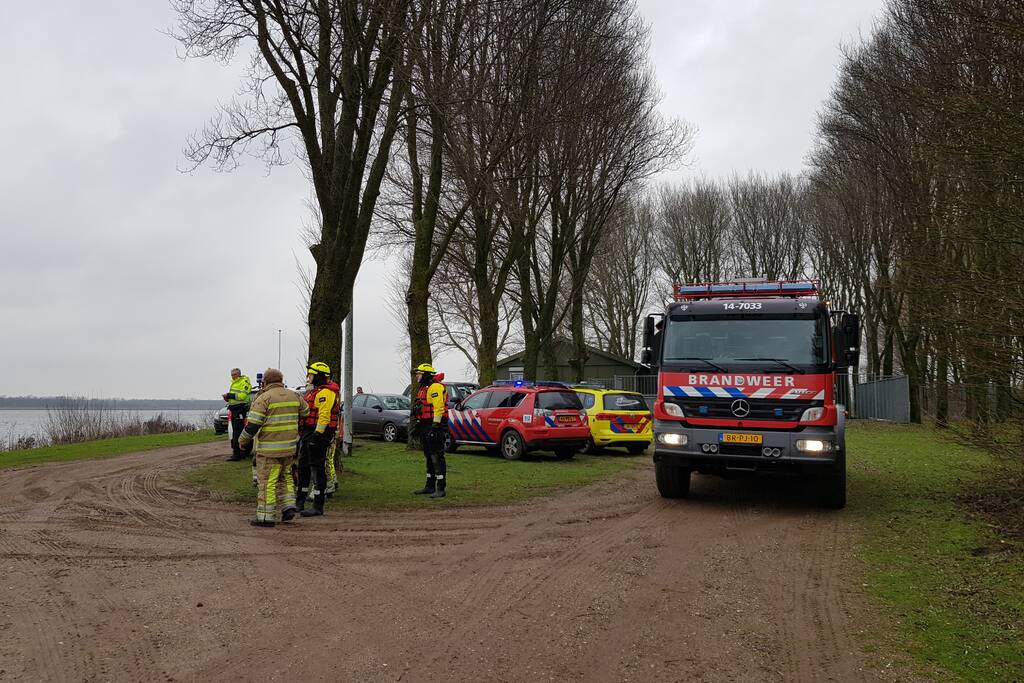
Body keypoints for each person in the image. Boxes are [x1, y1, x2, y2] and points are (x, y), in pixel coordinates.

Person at [238, 368, 308, 527]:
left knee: (267, 482)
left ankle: (265, 516)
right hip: (289, 448)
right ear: (281, 380)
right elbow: (306, 411)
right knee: (286, 478)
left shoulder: (264, 398)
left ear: (265, 382)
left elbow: (253, 425)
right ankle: (289, 506)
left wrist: (242, 441)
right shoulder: (294, 395)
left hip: (269, 451)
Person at [296, 361, 340, 517]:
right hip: (309, 433)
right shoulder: (315, 391)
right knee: (303, 466)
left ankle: (318, 505)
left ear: (319, 376)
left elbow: (324, 416)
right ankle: (299, 502)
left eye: (311, 374)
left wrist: (317, 436)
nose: (308, 377)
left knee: (317, 467)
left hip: (318, 434)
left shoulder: (326, 393)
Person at [412, 362, 449, 498]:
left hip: (435, 425)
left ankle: (441, 487)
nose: (417, 376)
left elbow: (439, 408)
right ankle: (429, 485)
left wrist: (435, 426)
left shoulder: (435, 387)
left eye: (419, 374)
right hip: (426, 424)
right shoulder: (424, 388)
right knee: (428, 455)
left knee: (436, 455)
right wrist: (418, 424)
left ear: (426, 375)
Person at [223, 368, 252, 461]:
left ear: (239, 374)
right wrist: (227, 398)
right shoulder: (234, 383)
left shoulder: (244, 381)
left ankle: (238, 454)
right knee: (235, 432)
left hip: (240, 409)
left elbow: (243, 396)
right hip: (234, 409)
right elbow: (235, 398)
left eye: (234, 374)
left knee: (238, 432)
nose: (233, 376)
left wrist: (230, 395)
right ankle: (238, 453)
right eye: (231, 375)